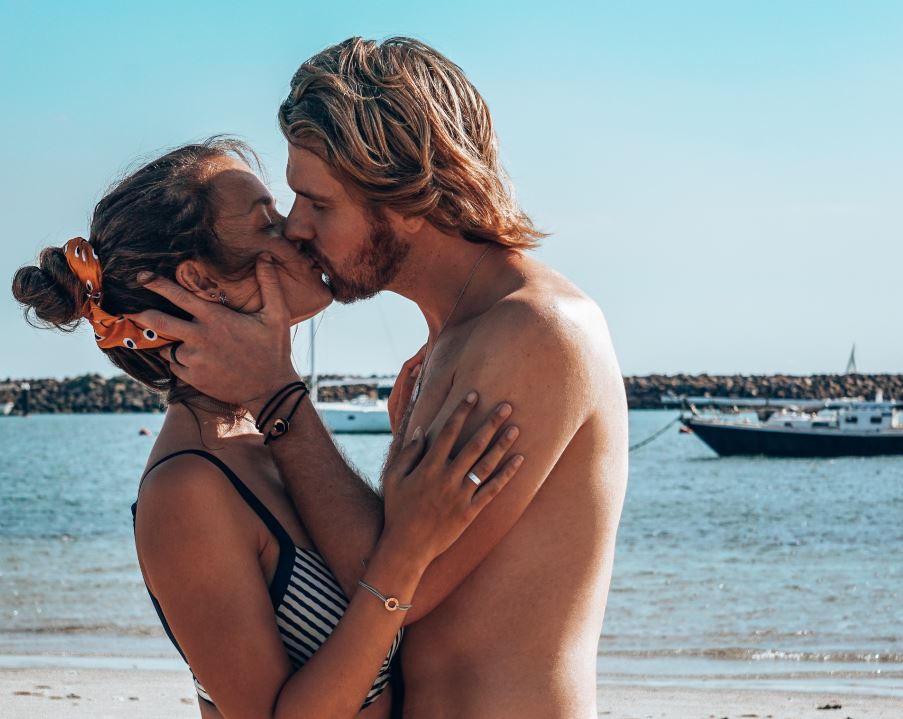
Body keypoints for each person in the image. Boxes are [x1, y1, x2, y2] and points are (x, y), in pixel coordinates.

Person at [136, 37, 629, 718]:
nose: (299, 229)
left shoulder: (535, 331)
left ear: (407, 196)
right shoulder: (456, 339)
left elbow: (405, 581)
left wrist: (279, 396)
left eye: (318, 203)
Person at [11, 138, 525, 718]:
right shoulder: (187, 488)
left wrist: (404, 451)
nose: (298, 232)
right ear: (201, 282)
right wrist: (403, 558)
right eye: (268, 223)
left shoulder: (269, 440)